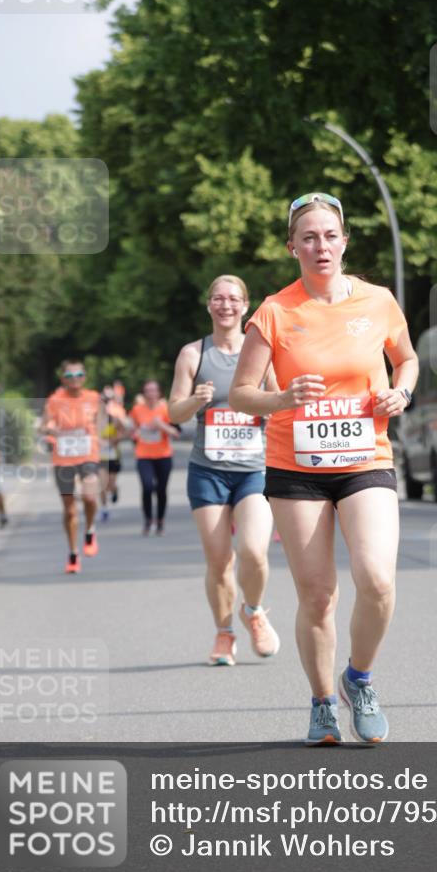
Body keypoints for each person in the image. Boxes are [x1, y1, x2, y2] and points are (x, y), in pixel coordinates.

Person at [230, 192, 419, 744]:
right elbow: (241, 393)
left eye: (330, 236)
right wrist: (282, 399)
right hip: (296, 467)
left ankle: (358, 678)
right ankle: (320, 704)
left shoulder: (378, 301)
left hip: (366, 458)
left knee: (377, 579)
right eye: (308, 237)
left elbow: (406, 359)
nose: (321, 246)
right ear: (292, 247)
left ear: (344, 241)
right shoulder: (274, 311)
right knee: (317, 595)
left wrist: (401, 393)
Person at [168, 274, 280, 667]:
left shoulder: (262, 352)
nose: (225, 304)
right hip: (208, 471)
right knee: (219, 561)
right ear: (209, 305)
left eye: (233, 298)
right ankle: (224, 633)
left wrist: (268, 405)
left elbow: (279, 401)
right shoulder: (193, 354)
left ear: (246, 306)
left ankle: (254, 611)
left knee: (253, 551)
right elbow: (174, 412)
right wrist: (195, 402)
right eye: (218, 298)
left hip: (254, 470)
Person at [42, 360, 104, 574]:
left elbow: (101, 422)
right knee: (69, 511)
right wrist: (51, 429)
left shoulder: (93, 398)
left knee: (89, 497)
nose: (74, 379)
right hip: (64, 458)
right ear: (63, 379)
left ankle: (90, 530)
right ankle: (73, 553)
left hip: (88, 455)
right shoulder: (55, 400)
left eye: (78, 374)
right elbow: (45, 425)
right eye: (69, 375)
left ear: (84, 377)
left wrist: (100, 435)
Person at [128, 380, 179, 535]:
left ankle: (160, 520)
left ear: (159, 393)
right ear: (143, 394)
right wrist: (134, 434)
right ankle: (148, 519)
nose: (150, 394)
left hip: (163, 455)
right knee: (147, 487)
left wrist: (161, 425)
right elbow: (132, 431)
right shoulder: (137, 410)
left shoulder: (166, 410)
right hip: (143, 455)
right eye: (147, 391)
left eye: (153, 390)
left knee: (161, 489)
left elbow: (176, 433)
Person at [97, 386, 126, 521]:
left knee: (110, 484)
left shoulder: (114, 419)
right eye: (103, 400)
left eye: (107, 400)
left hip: (113, 456)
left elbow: (124, 432)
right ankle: (104, 508)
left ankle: (115, 490)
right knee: (102, 484)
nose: (105, 403)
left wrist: (114, 440)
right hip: (99, 457)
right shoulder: (93, 421)